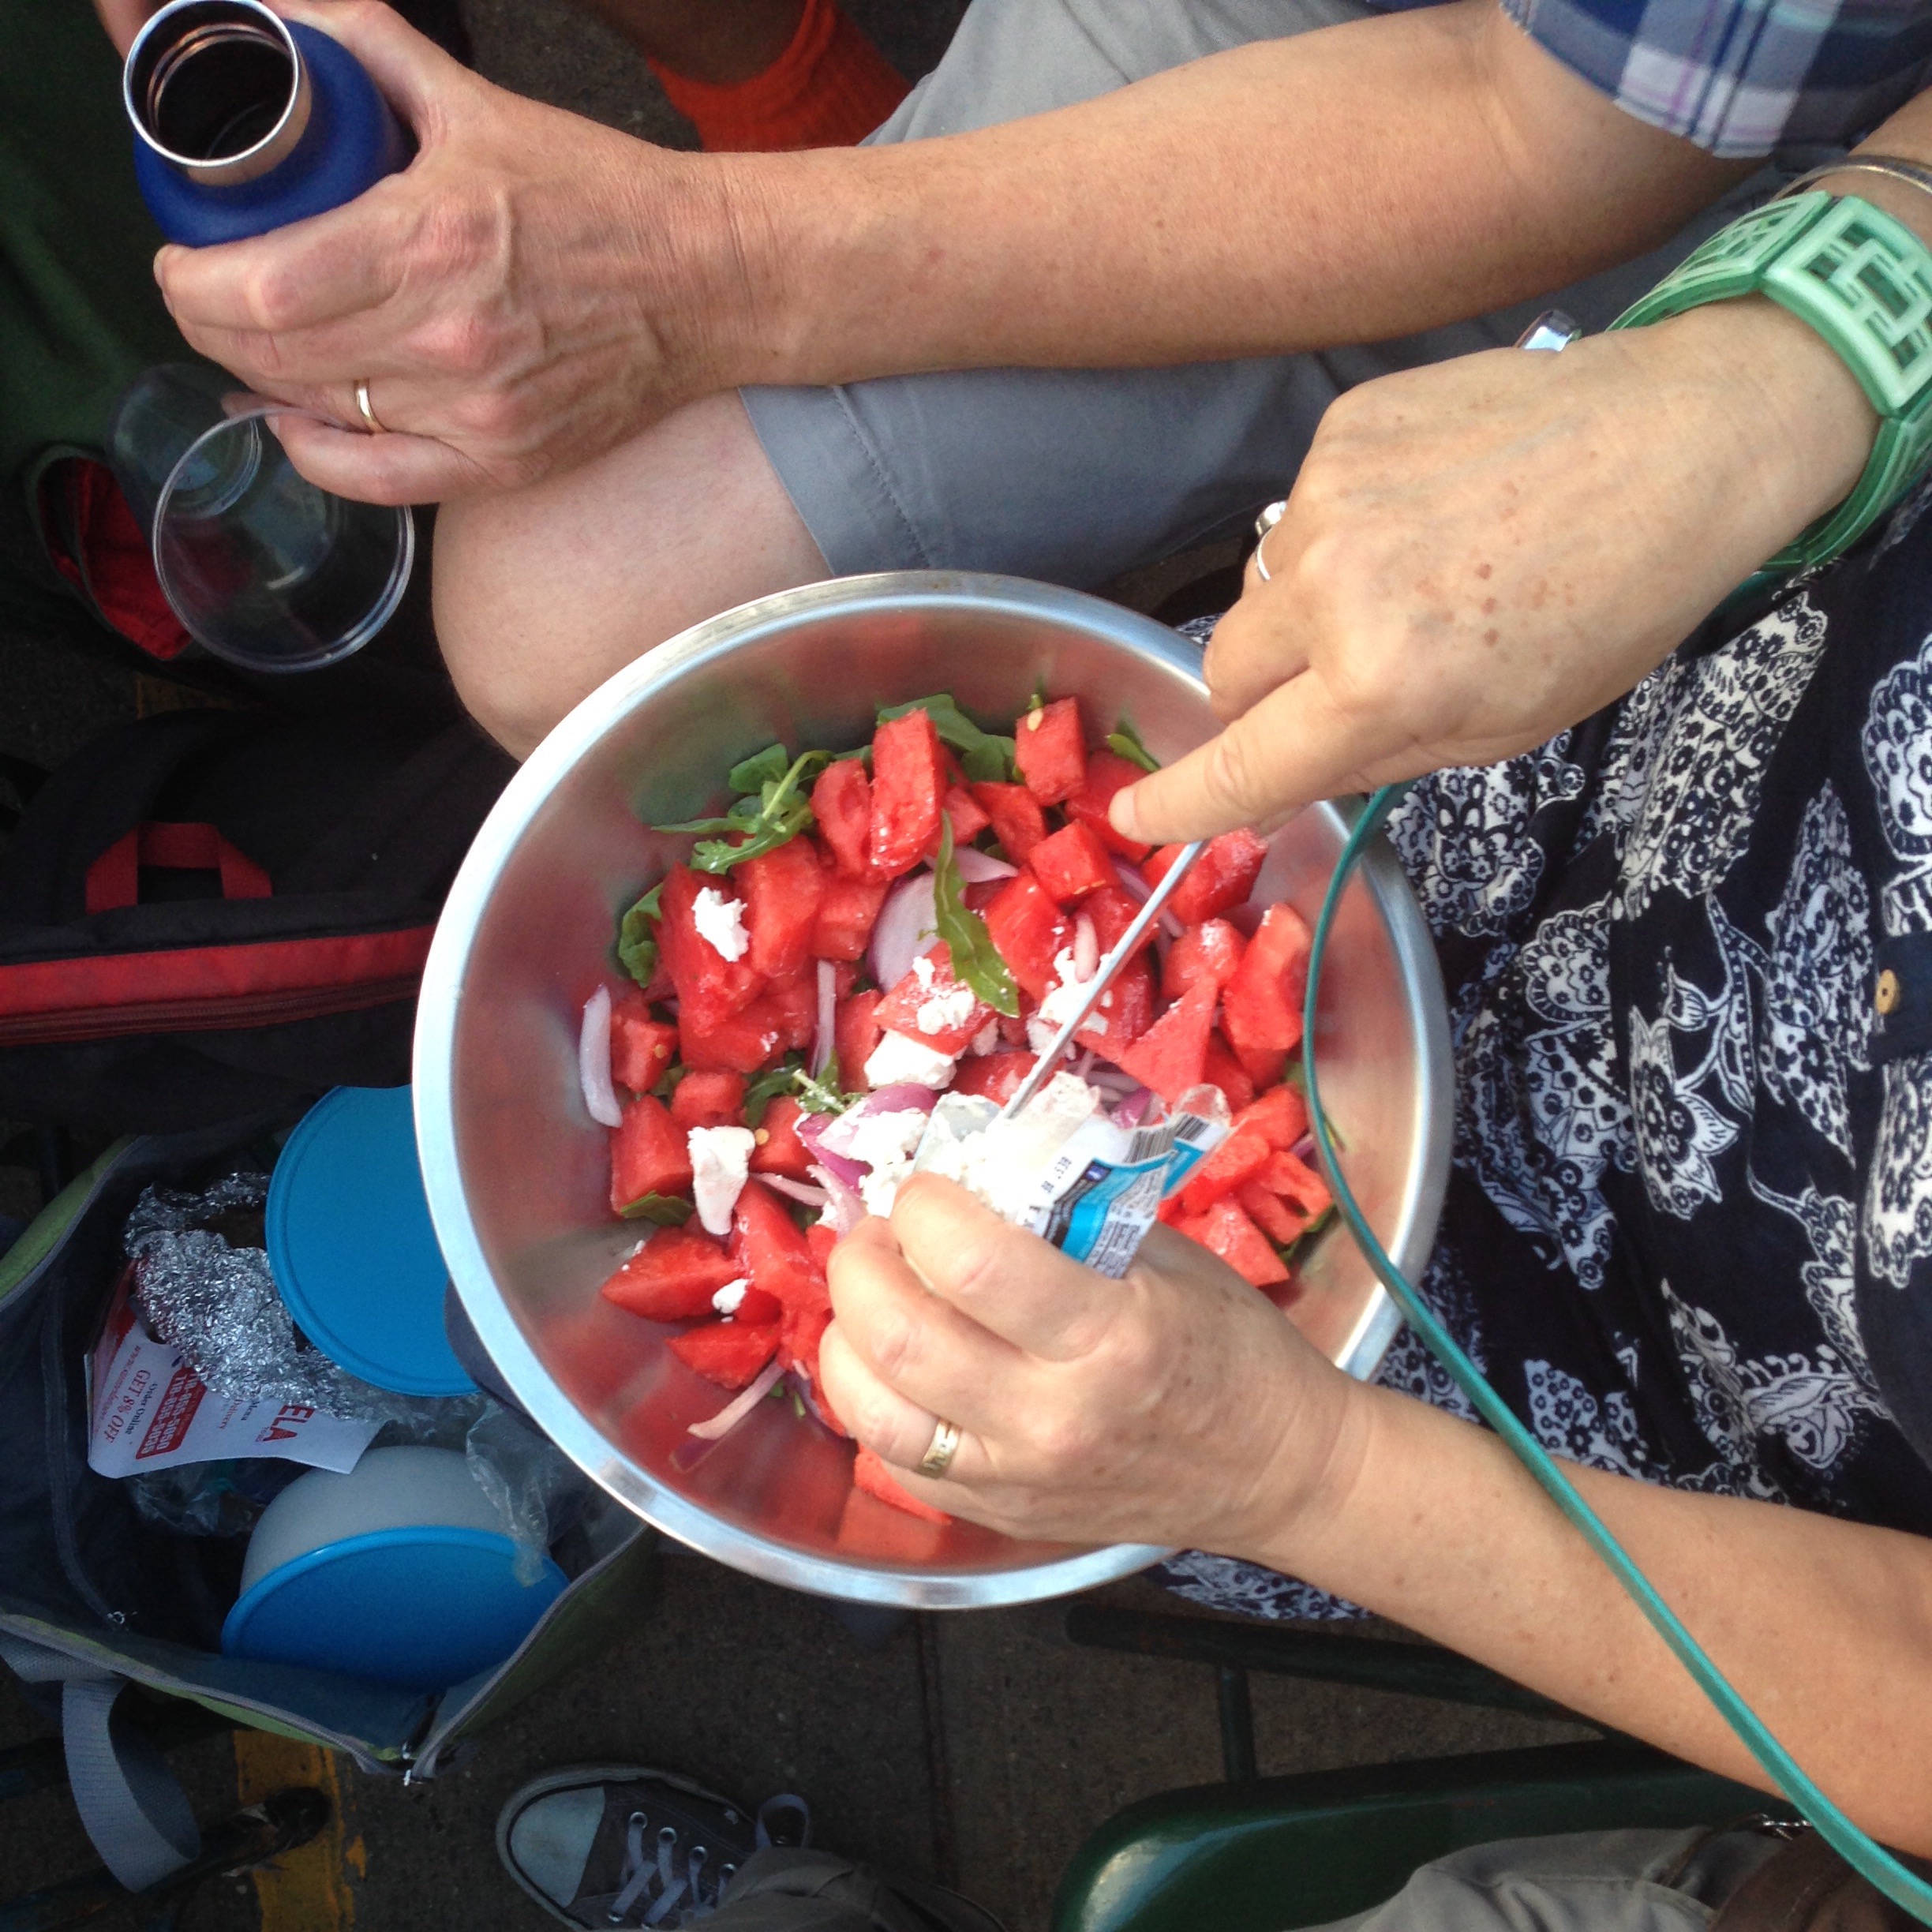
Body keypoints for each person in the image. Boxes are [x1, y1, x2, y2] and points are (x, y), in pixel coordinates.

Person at [139, 0, 1932, 765]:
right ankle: (806, 109)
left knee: (562, 614)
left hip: (1480, 73)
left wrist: (700, 274)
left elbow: (1542, 129)